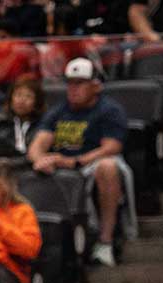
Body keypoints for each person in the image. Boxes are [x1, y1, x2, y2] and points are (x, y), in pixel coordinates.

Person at [27, 58, 132, 267]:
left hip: (91, 163)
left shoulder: (109, 110)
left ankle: (105, 242)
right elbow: (37, 145)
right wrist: (40, 160)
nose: (73, 89)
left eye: (80, 83)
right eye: (70, 83)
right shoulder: (59, 110)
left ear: (95, 86)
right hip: (64, 167)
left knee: (108, 166)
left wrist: (74, 161)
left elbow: (111, 147)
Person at [0, 74, 44, 166]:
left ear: (37, 102)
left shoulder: (43, 125)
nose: (22, 100)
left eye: (28, 96)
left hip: (28, 173)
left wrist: (10, 163)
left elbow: (40, 155)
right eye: (18, 95)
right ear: (11, 98)